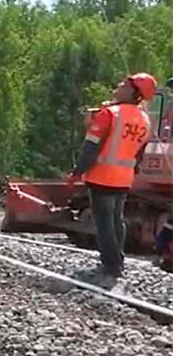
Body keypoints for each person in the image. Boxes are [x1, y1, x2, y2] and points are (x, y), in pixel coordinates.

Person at [66, 73, 155, 279]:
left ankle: (110, 265)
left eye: (123, 84)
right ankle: (118, 260)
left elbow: (90, 148)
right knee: (117, 219)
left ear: (134, 92)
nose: (117, 86)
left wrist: (76, 173)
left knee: (104, 222)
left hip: (102, 176)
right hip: (123, 178)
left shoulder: (109, 114)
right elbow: (139, 154)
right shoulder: (144, 119)